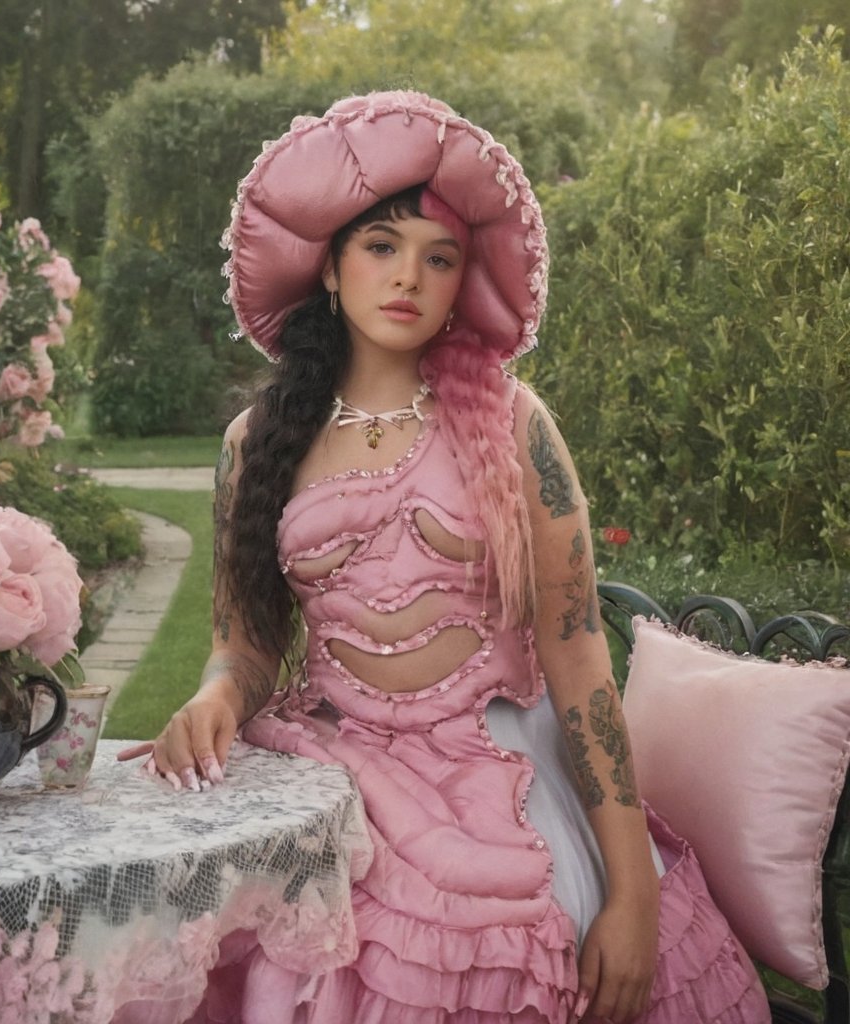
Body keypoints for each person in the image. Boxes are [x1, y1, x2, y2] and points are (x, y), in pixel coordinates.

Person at [119, 91, 770, 1024]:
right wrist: (217, 696)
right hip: (335, 763)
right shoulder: (255, 440)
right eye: (380, 246)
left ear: (462, 280)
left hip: (500, 763)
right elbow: (244, 642)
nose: (408, 278)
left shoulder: (511, 422)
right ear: (331, 270)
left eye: (440, 258)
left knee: (510, 955)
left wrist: (635, 894)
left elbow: (581, 656)